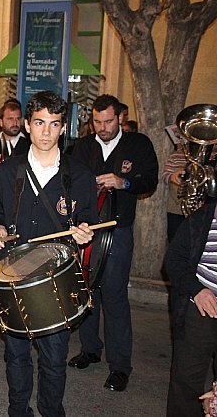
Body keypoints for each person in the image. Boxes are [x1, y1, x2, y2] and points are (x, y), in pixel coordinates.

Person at [0, 90, 96, 417]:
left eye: (54, 124)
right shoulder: (6, 172)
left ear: (64, 128)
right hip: (15, 276)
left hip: (56, 280)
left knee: (53, 358)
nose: (46, 132)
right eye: (39, 123)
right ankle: (18, 411)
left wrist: (85, 229)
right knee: (16, 356)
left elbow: (88, 216)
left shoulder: (80, 175)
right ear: (26, 126)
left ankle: (51, 411)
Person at [68, 94, 159, 392]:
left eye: (108, 121)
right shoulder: (83, 146)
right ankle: (90, 349)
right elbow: (68, 180)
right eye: (97, 122)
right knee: (86, 288)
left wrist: (124, 182)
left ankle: (120, 366)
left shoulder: (138, 143)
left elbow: (150, 181)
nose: (103, 127)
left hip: (119, 230)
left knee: (115, 295)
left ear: (119, 117)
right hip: (87, 228)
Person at [165, 199, 217, 416]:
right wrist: (197, 290)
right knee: (186, 381)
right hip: (201, 305)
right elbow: (174, 260)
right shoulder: (201, 218)